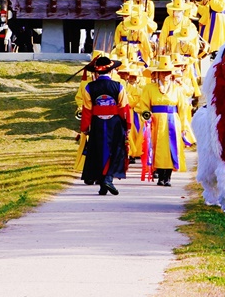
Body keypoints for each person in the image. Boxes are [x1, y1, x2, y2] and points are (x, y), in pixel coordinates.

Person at [132, 55, 192, 186]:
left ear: (171, 74)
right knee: (156, 147)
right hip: (155, 121)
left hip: (172, 121)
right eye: (162, 72)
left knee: (171, 147)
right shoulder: (149, 88)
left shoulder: (177, 89)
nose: (165, 75)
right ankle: (160, 175)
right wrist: (147, 116)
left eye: (168, 72)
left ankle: (168, 176)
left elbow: (182, 108)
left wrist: (184, 126)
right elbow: (143, 106)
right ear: (157, 74)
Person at [78, 54, 131, 195]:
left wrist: (85, 128)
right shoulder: (118, 86)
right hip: (114, 123)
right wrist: (127, 125)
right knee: (115, 150)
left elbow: (87, 110)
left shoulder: (89, 87)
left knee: (98, 151)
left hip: (97, 123)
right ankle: (108, 179)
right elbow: (124, 109)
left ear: (97, 72)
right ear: (111, 71)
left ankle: (102, 183)